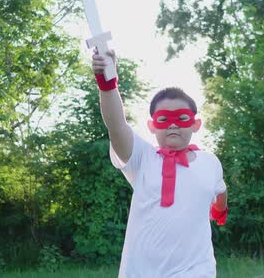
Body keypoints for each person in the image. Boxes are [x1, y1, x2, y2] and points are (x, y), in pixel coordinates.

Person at [92, 50, 228, 278]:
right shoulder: (142, 158)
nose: (173, 125)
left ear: (196, 124)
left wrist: (219, 211)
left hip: (196, 270)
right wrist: (107, 82)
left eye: (182, 118)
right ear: (152, 126)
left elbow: (221, 190)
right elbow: (116, 126)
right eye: (164, 119)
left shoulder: (210, 162)